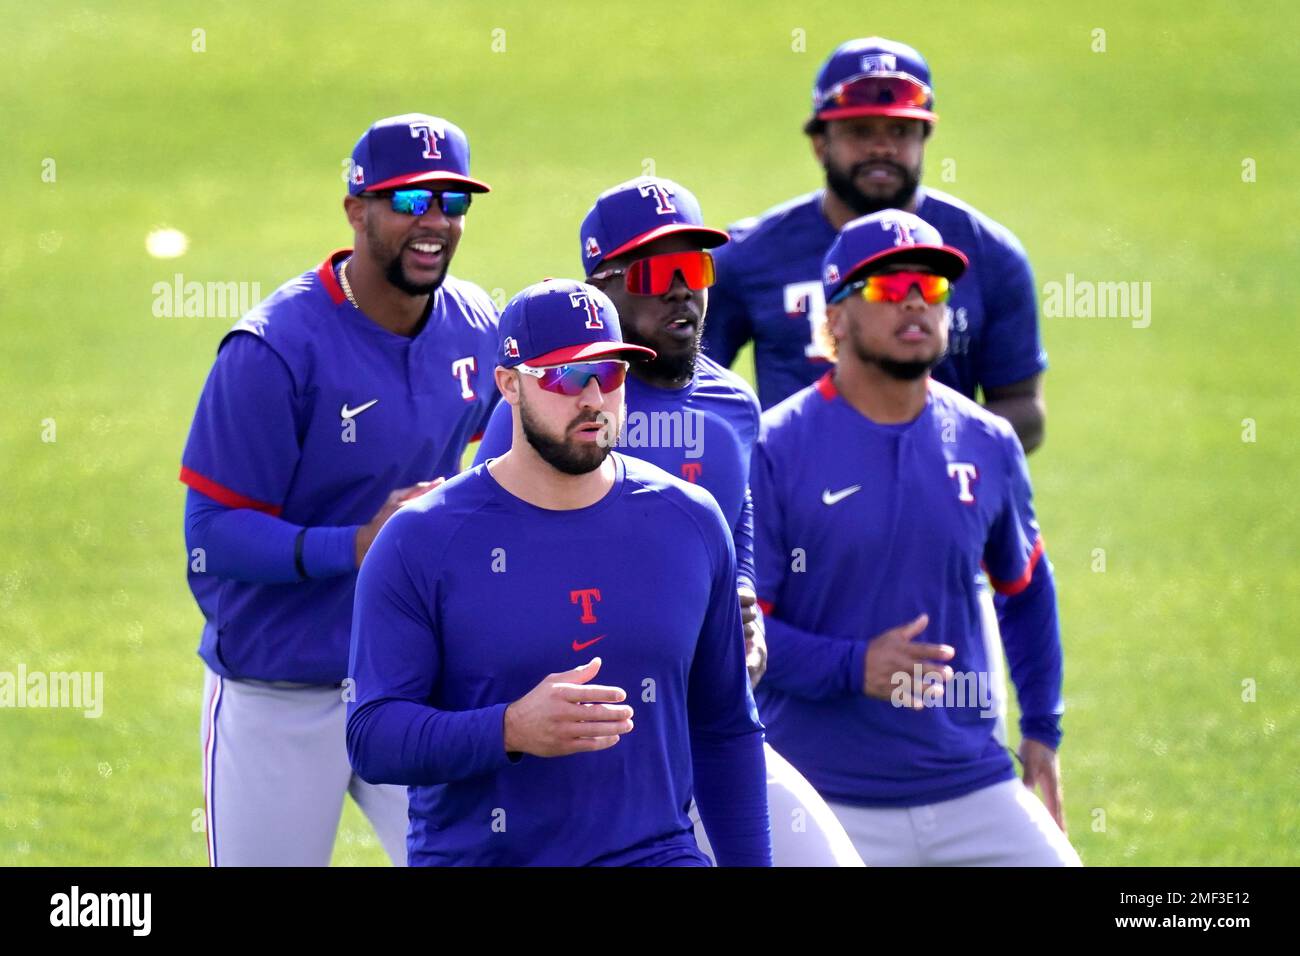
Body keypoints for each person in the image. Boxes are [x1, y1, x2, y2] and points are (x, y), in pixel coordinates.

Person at [473, 177, 862, 866]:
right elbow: (474, 556)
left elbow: (733, 529)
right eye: (658, 271)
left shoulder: (732, 407)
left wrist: (743, 603)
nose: (683, 290)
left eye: (697, 268)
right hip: (576, 745)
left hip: (702, 726)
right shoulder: (544, 410)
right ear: (602, 286)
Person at [347, 279, 771, 866]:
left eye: (611, 373)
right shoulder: (421, 540)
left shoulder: (691, 521)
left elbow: (726, 728)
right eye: (568, 377)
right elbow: (373, 739)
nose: (594, 398)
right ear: (508, 385)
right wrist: (510, 730)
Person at [180, 113, 500, 866]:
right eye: (409, 201)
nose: (434, 224)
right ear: (357, 210)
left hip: (411, 676)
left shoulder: (476, 329)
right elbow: (211, 537)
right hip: (278, 687)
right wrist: (357, 545)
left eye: (452, 204)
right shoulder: (273, 350)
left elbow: (509, 465)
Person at [750, 209, 1080, 866]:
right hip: (822, 795)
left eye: (929, 288)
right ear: (835, 319)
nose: (913, 302)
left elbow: (1027, 587)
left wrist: (1042, 727)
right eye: (886, 287)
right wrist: (852, 666)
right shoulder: (774, 448)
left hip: (969, 783)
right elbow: (743, 637)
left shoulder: (988, 442)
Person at [703, 36, 1047, 457]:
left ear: (925, 138)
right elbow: (693, 390)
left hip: (937, 503)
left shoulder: (990, 255)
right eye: (860, 131)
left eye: (900, 131)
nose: (882, 147)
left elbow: (1023, 406)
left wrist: (933, 457)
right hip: (796, 504)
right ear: (820, 142)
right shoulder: (747, 256)